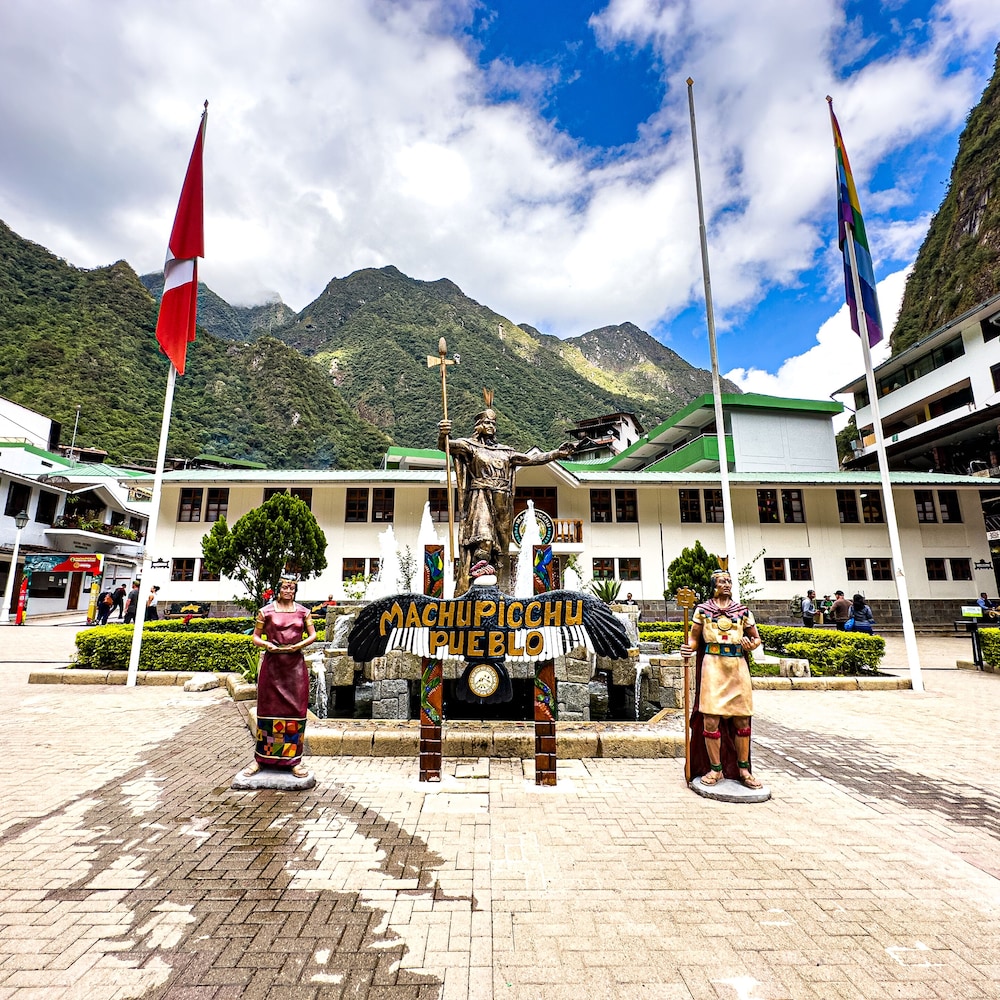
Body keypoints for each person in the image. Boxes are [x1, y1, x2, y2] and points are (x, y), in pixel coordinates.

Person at [438, 391, 576, 594]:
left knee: (499, 547)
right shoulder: (470, 446)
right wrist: (443, 434)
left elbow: (532, 460)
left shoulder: (505, 451)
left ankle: (493, 583)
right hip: (480, 496)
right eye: (487, 423)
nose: (491, 427)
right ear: (478, 426)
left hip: (502, 500)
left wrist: (557, 453)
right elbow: (447, 447)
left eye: (493, 424)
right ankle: (475, 582)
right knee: (483, 539)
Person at [680, 565, 763, 789]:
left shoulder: (742, 611)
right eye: (721, 582)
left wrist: (750, 644)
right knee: (710, 719)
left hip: (736, 666)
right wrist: (688, 648)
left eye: (728, 581)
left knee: (742, 719)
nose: (726, 585)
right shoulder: (702, 610)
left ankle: (743, 770)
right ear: (713, 586)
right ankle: (715, 769)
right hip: (713, 665)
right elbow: (694, 638)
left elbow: (756, 639)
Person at [242, 575, 317, 779]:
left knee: (295, 712)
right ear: (278, 589)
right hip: (272, 666)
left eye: (292, 588)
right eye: (285, 587)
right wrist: (266, 644)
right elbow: (255, 637)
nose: (288, 591)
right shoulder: (265, 612)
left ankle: (294, 760)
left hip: (294, 668)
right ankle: (261, 759)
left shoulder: (303, 612)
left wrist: (299, 645)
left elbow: (313, 635)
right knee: (268, 711)